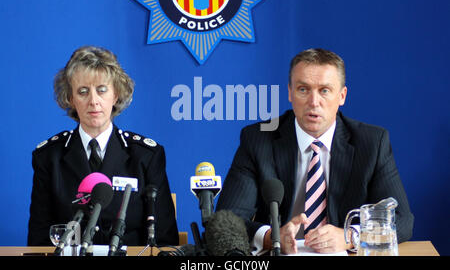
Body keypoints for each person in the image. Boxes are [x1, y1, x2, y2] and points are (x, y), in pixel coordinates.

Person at [216, 48, 414, 254]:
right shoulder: (258, 139)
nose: (313, 102)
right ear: (290, 93)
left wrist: (350, 235)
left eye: (324, 90)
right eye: (303, 89)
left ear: (342, 96)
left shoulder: (372, 142)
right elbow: (227, 219)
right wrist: (271, 237)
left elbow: (402, 219)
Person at [28, 46, 179, 247]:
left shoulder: (146, 155)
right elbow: (39, 241)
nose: (93, 101)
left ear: (115, 95)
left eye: (102, 90)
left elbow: (164, 239)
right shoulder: (49, 157)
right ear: (70, 99)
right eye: (83, 91)